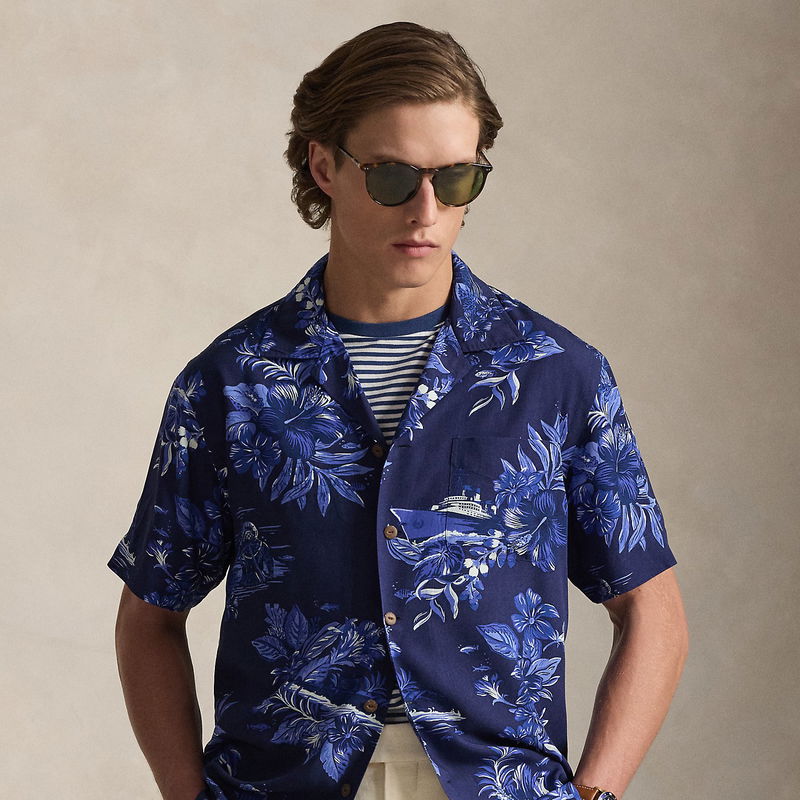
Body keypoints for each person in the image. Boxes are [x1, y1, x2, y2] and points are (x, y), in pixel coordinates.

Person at [109, 20, 688, 800]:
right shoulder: (232, 383)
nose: (425, 209)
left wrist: (598, 792)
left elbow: (652, 611)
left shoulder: (557, 375)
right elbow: (150, 615)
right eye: (392, 176)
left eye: (456, 179)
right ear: (323, 165)